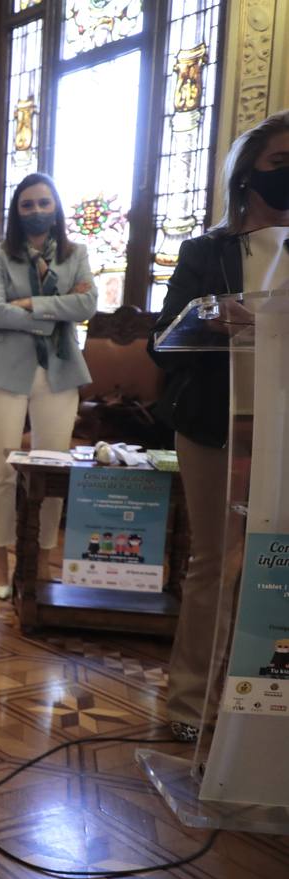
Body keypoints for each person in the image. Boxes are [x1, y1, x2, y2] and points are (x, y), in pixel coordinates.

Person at [149, 109, 289, 743]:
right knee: (218, 564)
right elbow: (162, 343)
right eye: (281, 166)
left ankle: (259, 718)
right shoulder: (207, 252)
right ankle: (188, 709)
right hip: (216, 425)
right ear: (248, 176)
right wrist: (211, 315)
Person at [0, 173, 97, 599]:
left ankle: (42, 557)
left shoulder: (75, 253)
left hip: (61, 368)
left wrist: (28, 304)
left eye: (44, 202)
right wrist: (53, 313)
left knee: (53, 467)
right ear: (16, 211)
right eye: (27, 204)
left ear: (56, 207)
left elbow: (87, 304)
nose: (37, 211)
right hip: (4, 367)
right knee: (1, 467)